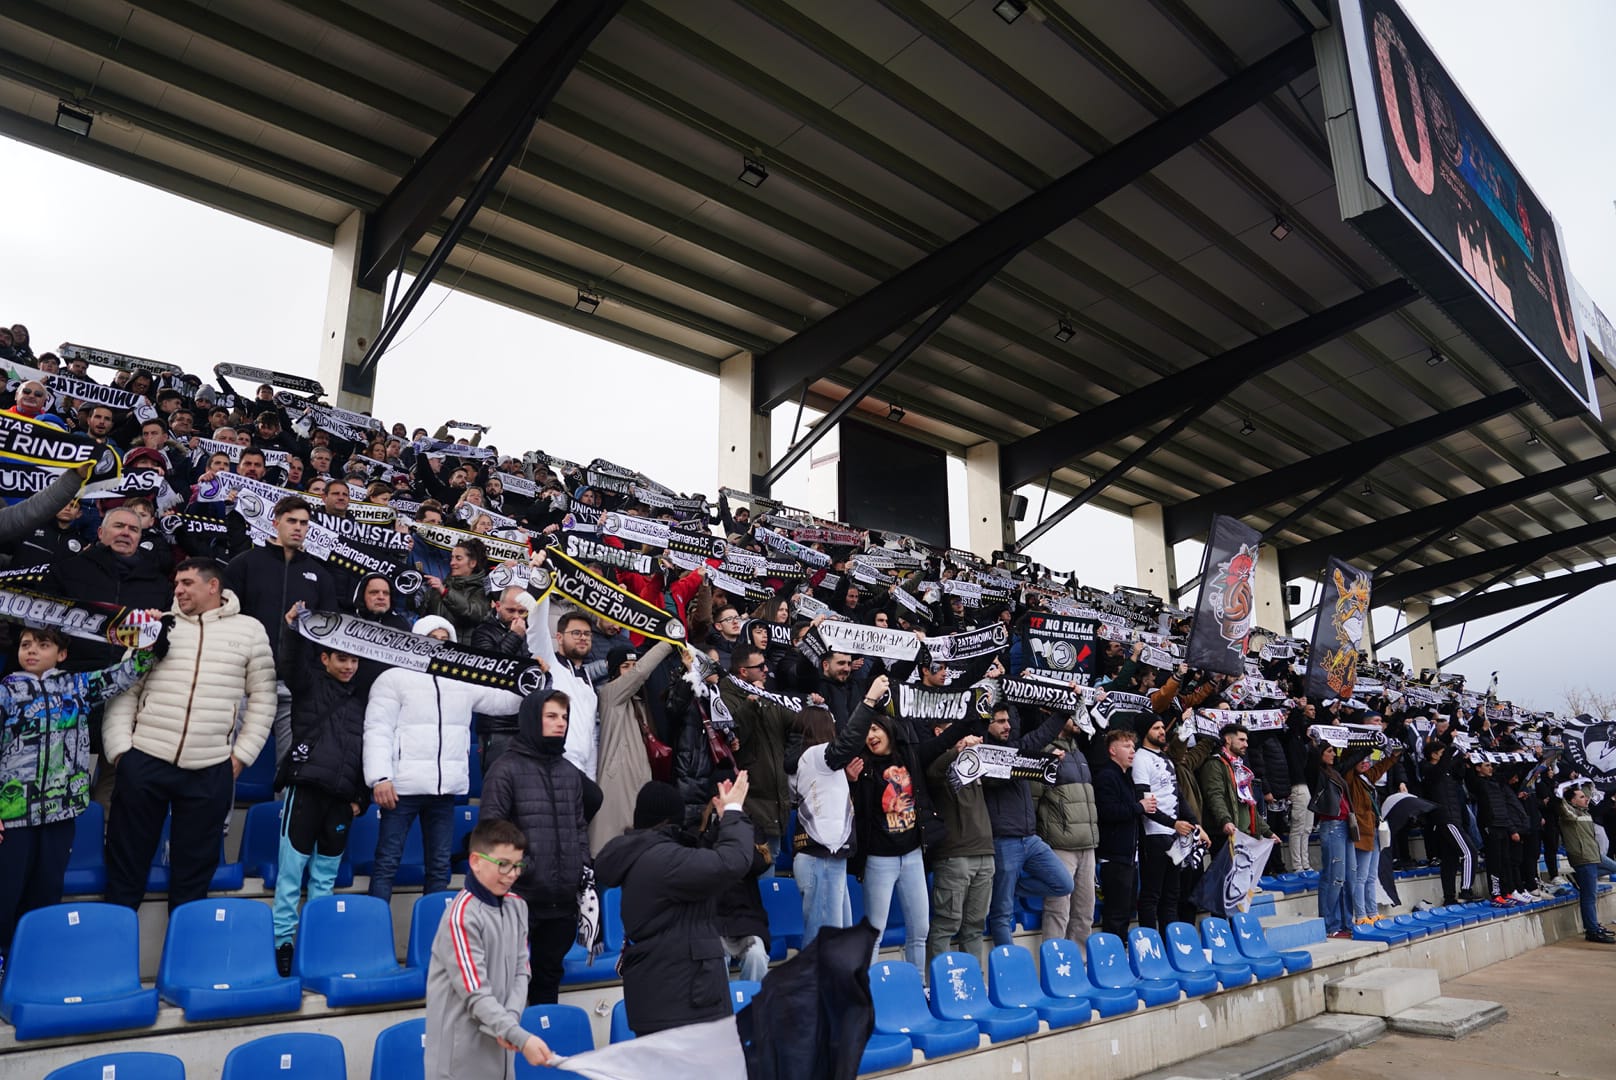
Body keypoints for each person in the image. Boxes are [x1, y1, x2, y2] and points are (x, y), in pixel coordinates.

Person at [101, 558, 277, 910]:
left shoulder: (250, 629)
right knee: (125, 867)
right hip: (146, 760)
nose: (177, 590)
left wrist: (242, 755)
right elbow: (124, 689)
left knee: (193, 878)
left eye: (186, 583)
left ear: (213, 587)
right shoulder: (156, 625)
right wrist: (121, 751)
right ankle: (112, 954)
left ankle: (181, 960)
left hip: (210, 767)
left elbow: (263, 696)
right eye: (176, 583)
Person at [0, 627, 154, 959]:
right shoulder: (5, 692)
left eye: (43, 644)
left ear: (62, 654)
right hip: (11, 818)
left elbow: (122, 675)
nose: (32, 651)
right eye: (26, 645)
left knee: (45, 895)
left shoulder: (76, 687)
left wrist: (152, 644)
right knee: (5, 895)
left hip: (60, 814)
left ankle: (34, 964)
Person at [363, 615, 522, 902]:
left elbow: (504, 702)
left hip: (444, 791)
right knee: (387, 864)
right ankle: (375, 933)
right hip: (401, 790)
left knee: (439, 869)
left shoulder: (463, 679)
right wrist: (380, 777)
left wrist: (533, 678)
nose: (439, 643)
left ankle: (435, 939)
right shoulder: (393, 678)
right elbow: (378, 730)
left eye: (445, 639)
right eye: (433, 637)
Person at [594, 776, 757, 1037]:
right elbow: (732, 862)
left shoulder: (646, 857)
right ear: (673, 819)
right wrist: (734, 812)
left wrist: (720, 821)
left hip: (665, 998)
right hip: (685, 1003)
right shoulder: (664, 861)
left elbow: (705, 863)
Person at [479, 689, 601, 1005]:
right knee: (508, 985)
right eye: (551, 716)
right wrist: (525, 870)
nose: (560, 723)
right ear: (533, 719)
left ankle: (541, 1049)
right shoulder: (505, 769)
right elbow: (491, 834)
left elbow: (579, 829)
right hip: (521, 899)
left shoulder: (569, 772)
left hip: (561, 902)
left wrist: (580, 866)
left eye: (564, 717)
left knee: (548, 984)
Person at [270, 603, 369, 976]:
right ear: (325, 657)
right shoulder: (309, 685)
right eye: (341, 659)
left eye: (354, 662)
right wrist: (292, 628)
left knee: (325, 880)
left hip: (341, 802)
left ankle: (318, 942)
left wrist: (359, 796)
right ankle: (284, 944)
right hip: (306, 790)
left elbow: (362, 753)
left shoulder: (361, 704)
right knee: (292, 873)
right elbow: (292, 663)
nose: (348, 667)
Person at [425, 818, 554, 1079]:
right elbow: (475, 993)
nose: (512, 874)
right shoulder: (461, 916)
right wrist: (519, 1037)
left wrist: (510, 1023)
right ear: (475, 862)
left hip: (503, 1049)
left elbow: (522, 970)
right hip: (459, 1063)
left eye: (518, 865)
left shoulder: (518, 905)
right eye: (503, 865)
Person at [226, 495, 335, 771]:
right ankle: (219, 817)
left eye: (304, 523)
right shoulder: (244, 564)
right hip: (246, 681)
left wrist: (312, 675)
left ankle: (286, 816)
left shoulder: (319, 575)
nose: (298, 528)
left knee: (291, 771)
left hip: (295, 686)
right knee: (226, 763)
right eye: (292, 521)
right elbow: (225, 618)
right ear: (275, 523)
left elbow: (327, 635)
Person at [790, 692, 880, 945]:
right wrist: (870, 700)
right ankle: (816, 986)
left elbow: (827, 799)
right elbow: (849, 743)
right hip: (821, 858)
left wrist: (848, 782)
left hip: (829, 857)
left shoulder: (814, 762)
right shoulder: (817, 754)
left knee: (838, 940)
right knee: (824, 943)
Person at [982, 704, 1073, 947]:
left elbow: (1042, 735)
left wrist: (1065, 711)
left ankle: (1010, 887)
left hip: (1030, 839)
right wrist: (1031, 764)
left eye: (1008, 720)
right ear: (987, 725)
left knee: (1064, 883)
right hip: (1003, 840)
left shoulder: (1017, 747)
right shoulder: (982, 754)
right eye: (1000, 721)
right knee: (1002, 913)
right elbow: (992, 781)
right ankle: (1010, 970)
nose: (1007, 726)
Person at [590, 641, 675, 852]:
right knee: (613, 848)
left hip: (641, 780)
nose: (630, 672)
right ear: (613, 671)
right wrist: (666, 643)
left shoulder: (640, 701)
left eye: (633, 665)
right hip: (617, 783)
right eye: (625, 667)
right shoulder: (609, 694)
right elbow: (639, 673)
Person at [1132, 714, 1204, 935]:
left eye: (1163, 727)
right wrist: (1174, 824)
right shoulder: (1140, 759)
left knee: (1172, 893)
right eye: (1156, 728)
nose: (1162, 731)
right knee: (1152, 894)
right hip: (1154, 835)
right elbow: (1143, 801)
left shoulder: (1165, 758)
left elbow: (1178, 797)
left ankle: (1171, 942)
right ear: (1146, 732)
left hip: (1175, 835)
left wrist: (1195, 824)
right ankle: (1150, 943)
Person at [1036, 707, 1100, 947]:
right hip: (1060, 844)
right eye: (1073, 715)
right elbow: (1034, 799)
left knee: (1085, 911)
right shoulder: (1045, 751)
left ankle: (1080, 965)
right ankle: (1054, 964)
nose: (1079, 720)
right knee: (1058, 910)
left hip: (1088, 843)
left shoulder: (1080, 753)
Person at [1093, 727, 1149, 937]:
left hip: (1128, 856)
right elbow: (1107, 811)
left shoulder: (1127, 777)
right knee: (1116, 914)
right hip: (1114, 858)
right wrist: (1139, 807)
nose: (1132, 751)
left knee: (1126, 912)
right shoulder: (1107, 776)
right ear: (1112, 750)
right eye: (1126, 746)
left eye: (1133, 746)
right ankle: (1112, 958)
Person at [1341, 744, 1402, 924]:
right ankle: (1360, 915)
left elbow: (1381, 767)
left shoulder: (1366, 778)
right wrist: (1366, 748)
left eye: (1365, 760)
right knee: (1360, 877)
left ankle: (1372, 912)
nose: (1363, 763)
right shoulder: (1349, 778)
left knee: (1371, 876)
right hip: (1362, 833)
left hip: (1374, 831)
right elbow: (1347, 763)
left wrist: (1393, 755)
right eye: (1359, 760)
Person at [1306, 741, 1353, 938]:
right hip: (1332, 826)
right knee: (1334, 876)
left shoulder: (1336, 773)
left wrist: (1370, 744)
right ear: (1320, 754)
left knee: (1347, 877)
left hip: (1345, 825)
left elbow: (1353, 759)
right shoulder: (1317, 773)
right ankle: (1329, 923)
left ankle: (1344, 922)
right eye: (1329, 751)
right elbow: (1309, 763)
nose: (1333, 754)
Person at [1558, 784, 1614, 943]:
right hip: (1583, 857)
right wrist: (1560, 792)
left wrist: (1585, 781)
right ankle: (1592, 930)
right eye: (1581, 797)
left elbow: (1591, 792)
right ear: (1572, 801)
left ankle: (1577, 878)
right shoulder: (1568, 814)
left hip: (1594, 855)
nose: (1586, 798)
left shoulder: (1586, 812)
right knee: (1589, 897)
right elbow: (1561, 804)